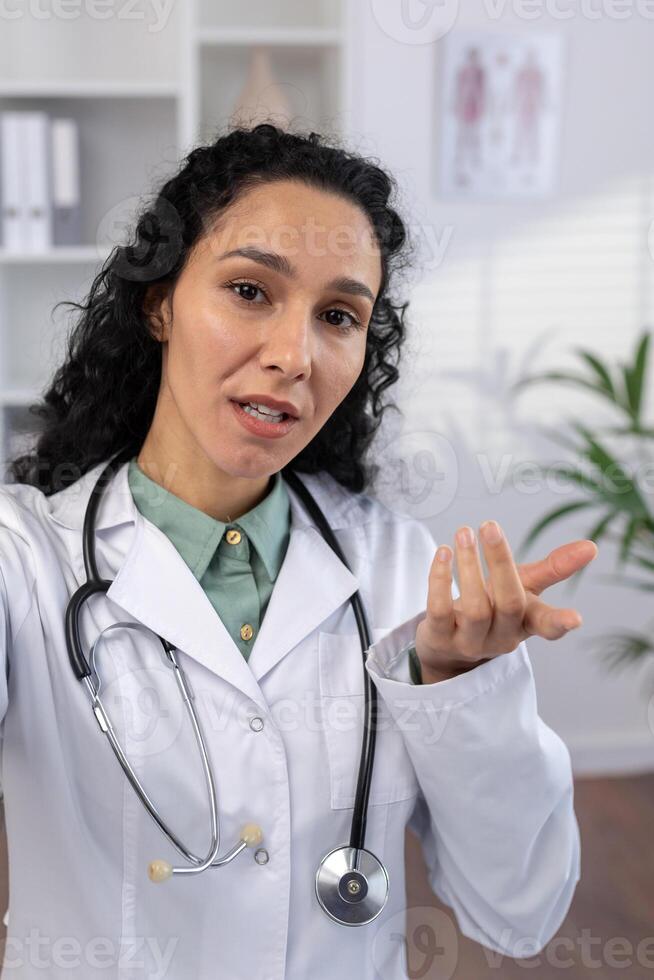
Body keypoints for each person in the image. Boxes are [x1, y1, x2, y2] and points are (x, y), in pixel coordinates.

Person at [0, 122, 596, 979]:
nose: (294, 356)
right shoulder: (29, 559)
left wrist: (462, 688)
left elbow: (520, 912)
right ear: (159, 301)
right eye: (249, 290)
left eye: (339, 316)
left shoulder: (401, 571)